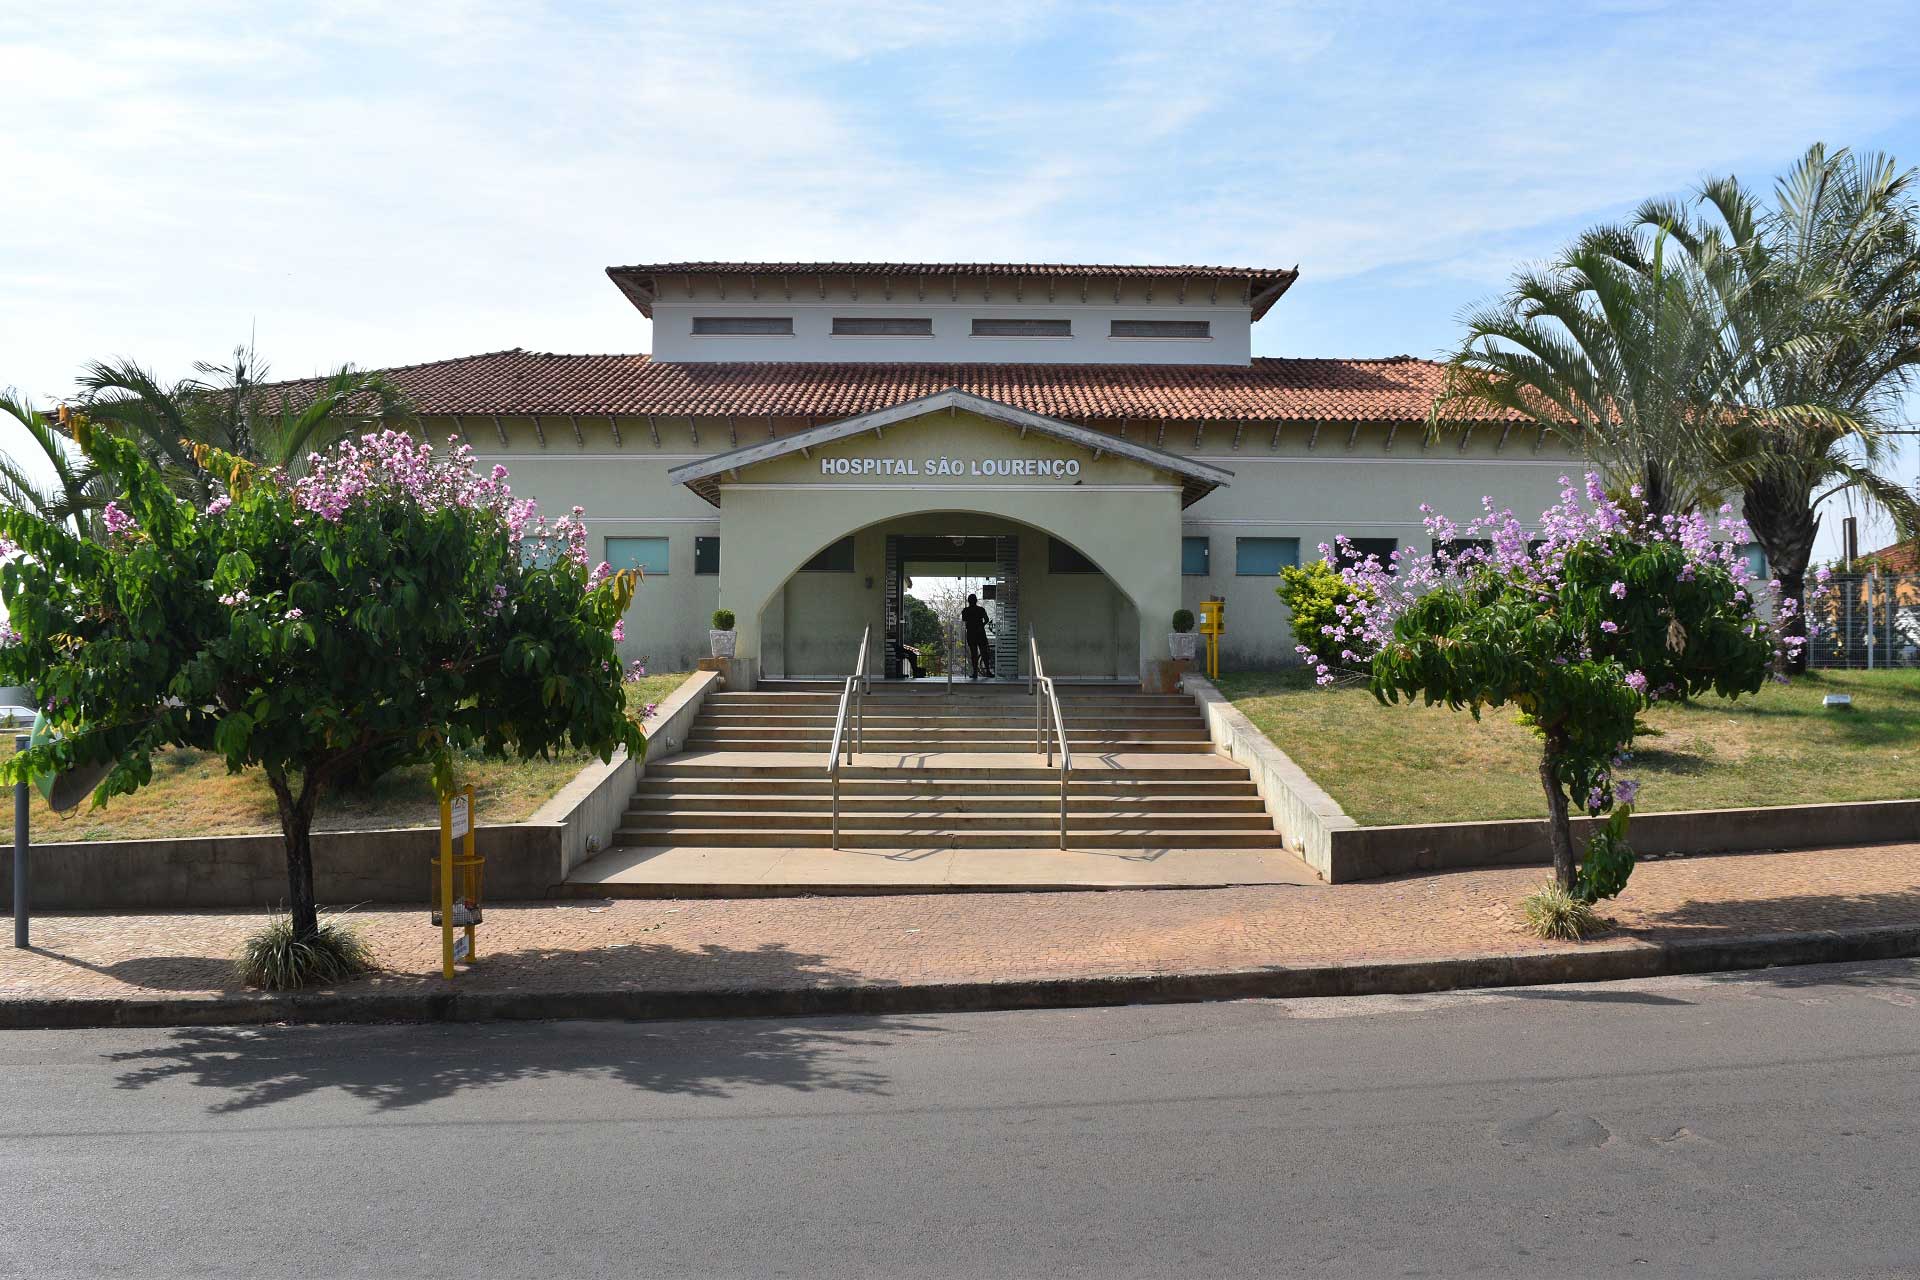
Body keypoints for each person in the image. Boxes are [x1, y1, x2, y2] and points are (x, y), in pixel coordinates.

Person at [960, 593, 993, 679]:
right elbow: (987, 619)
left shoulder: (965, 611)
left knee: (973, 654)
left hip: (971, 633)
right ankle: (988, 671)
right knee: (984, 653)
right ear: (976, 600)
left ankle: (975, 673)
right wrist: (981, 625)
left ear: (968, 601)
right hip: (980, 632)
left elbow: (964, 620)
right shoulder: (981, 610)